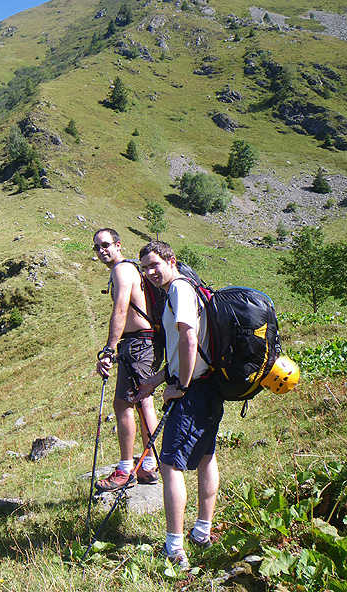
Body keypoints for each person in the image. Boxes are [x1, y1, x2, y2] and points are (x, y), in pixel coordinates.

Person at [134, 240, 224, 569]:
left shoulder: (179, 290)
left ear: (172, 260)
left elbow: (188, 338)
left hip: (193, 390)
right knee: (204, 456)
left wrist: (180, 387)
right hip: (208, 386)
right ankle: (202, 531)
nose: (151, 272)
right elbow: (184, 349)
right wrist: (158, 381)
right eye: (145, 268)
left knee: (170, 464)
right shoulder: (187, 289)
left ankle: (175, 547)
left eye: (155, 264)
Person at [92, 228, 160, 492]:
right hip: (146, 343)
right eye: (97, 247)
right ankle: (148, 464)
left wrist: (109, 348)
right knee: (143, 402)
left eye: (105, 245)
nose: (101, 251)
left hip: (137, 344)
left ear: (118, 245)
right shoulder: (131, 269)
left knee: (123, 404)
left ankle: (125, 470)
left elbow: (121, 308)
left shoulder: (122, 270)